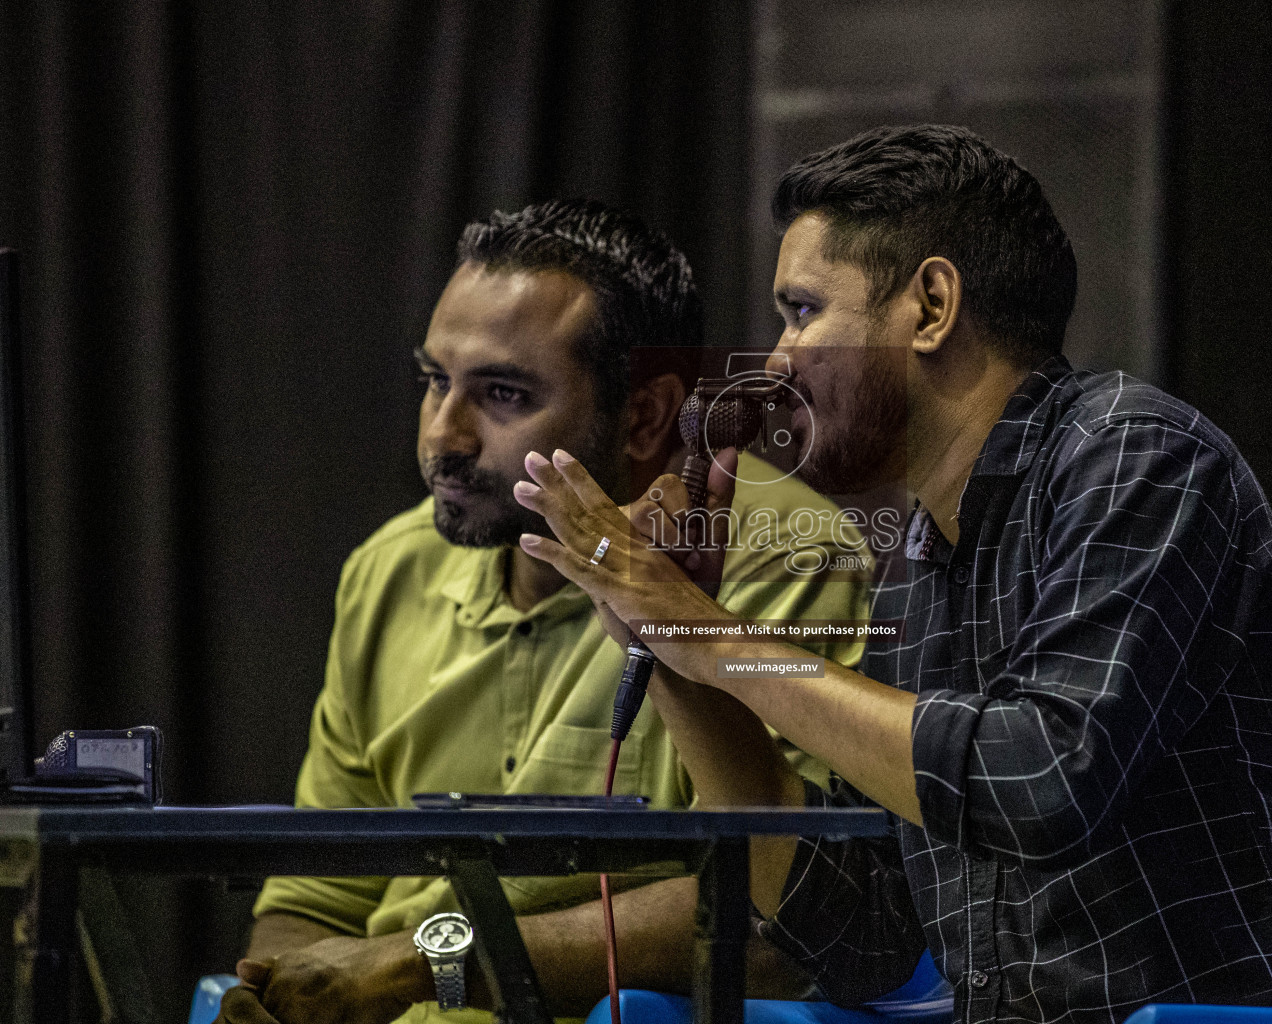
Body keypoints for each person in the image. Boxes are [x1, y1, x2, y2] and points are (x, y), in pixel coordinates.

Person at [510, 125, 1272, 1024]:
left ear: (933, 306)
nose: (780, 360)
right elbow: (863, 933)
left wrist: (711, 636)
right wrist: (677, 652)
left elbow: (1040, 779)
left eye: (802, 311)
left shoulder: (1137, 459)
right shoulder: (919, 556)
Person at [216, 198, 869, 1024]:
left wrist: (424, 964)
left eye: (501, 394)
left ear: (642, 415)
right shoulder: (390, 569)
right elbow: (321, 894)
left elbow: (789, 914)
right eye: (433, 382)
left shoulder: (783, 554)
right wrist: (275, 991)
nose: (443, 436)